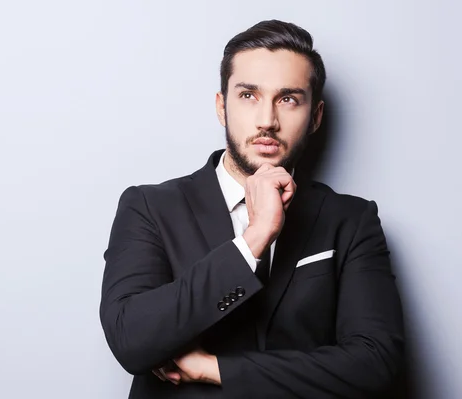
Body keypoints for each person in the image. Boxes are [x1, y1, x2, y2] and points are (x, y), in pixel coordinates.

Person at [99, 19, 404, 398]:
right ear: (221, 107)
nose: (267, 121)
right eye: (248, 96)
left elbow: (375, 365)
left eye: (288, 98)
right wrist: (255, 239)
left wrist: (216, 370)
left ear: (316, 117)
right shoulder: (150, 207)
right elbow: (131, 339)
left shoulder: (351, 221)